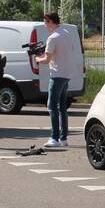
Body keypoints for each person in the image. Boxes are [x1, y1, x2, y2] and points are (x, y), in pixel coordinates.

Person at [33, 12, 83, 148]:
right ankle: (63, 138)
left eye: (45, 22)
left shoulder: (53, 37)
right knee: (62, 107)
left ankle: (54, 138)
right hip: (67, 74)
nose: (45, 25)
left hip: (56, 74)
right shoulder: (66, 33)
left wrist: (37, 58)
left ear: (50, 21)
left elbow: (47, 59)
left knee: (52, 106)